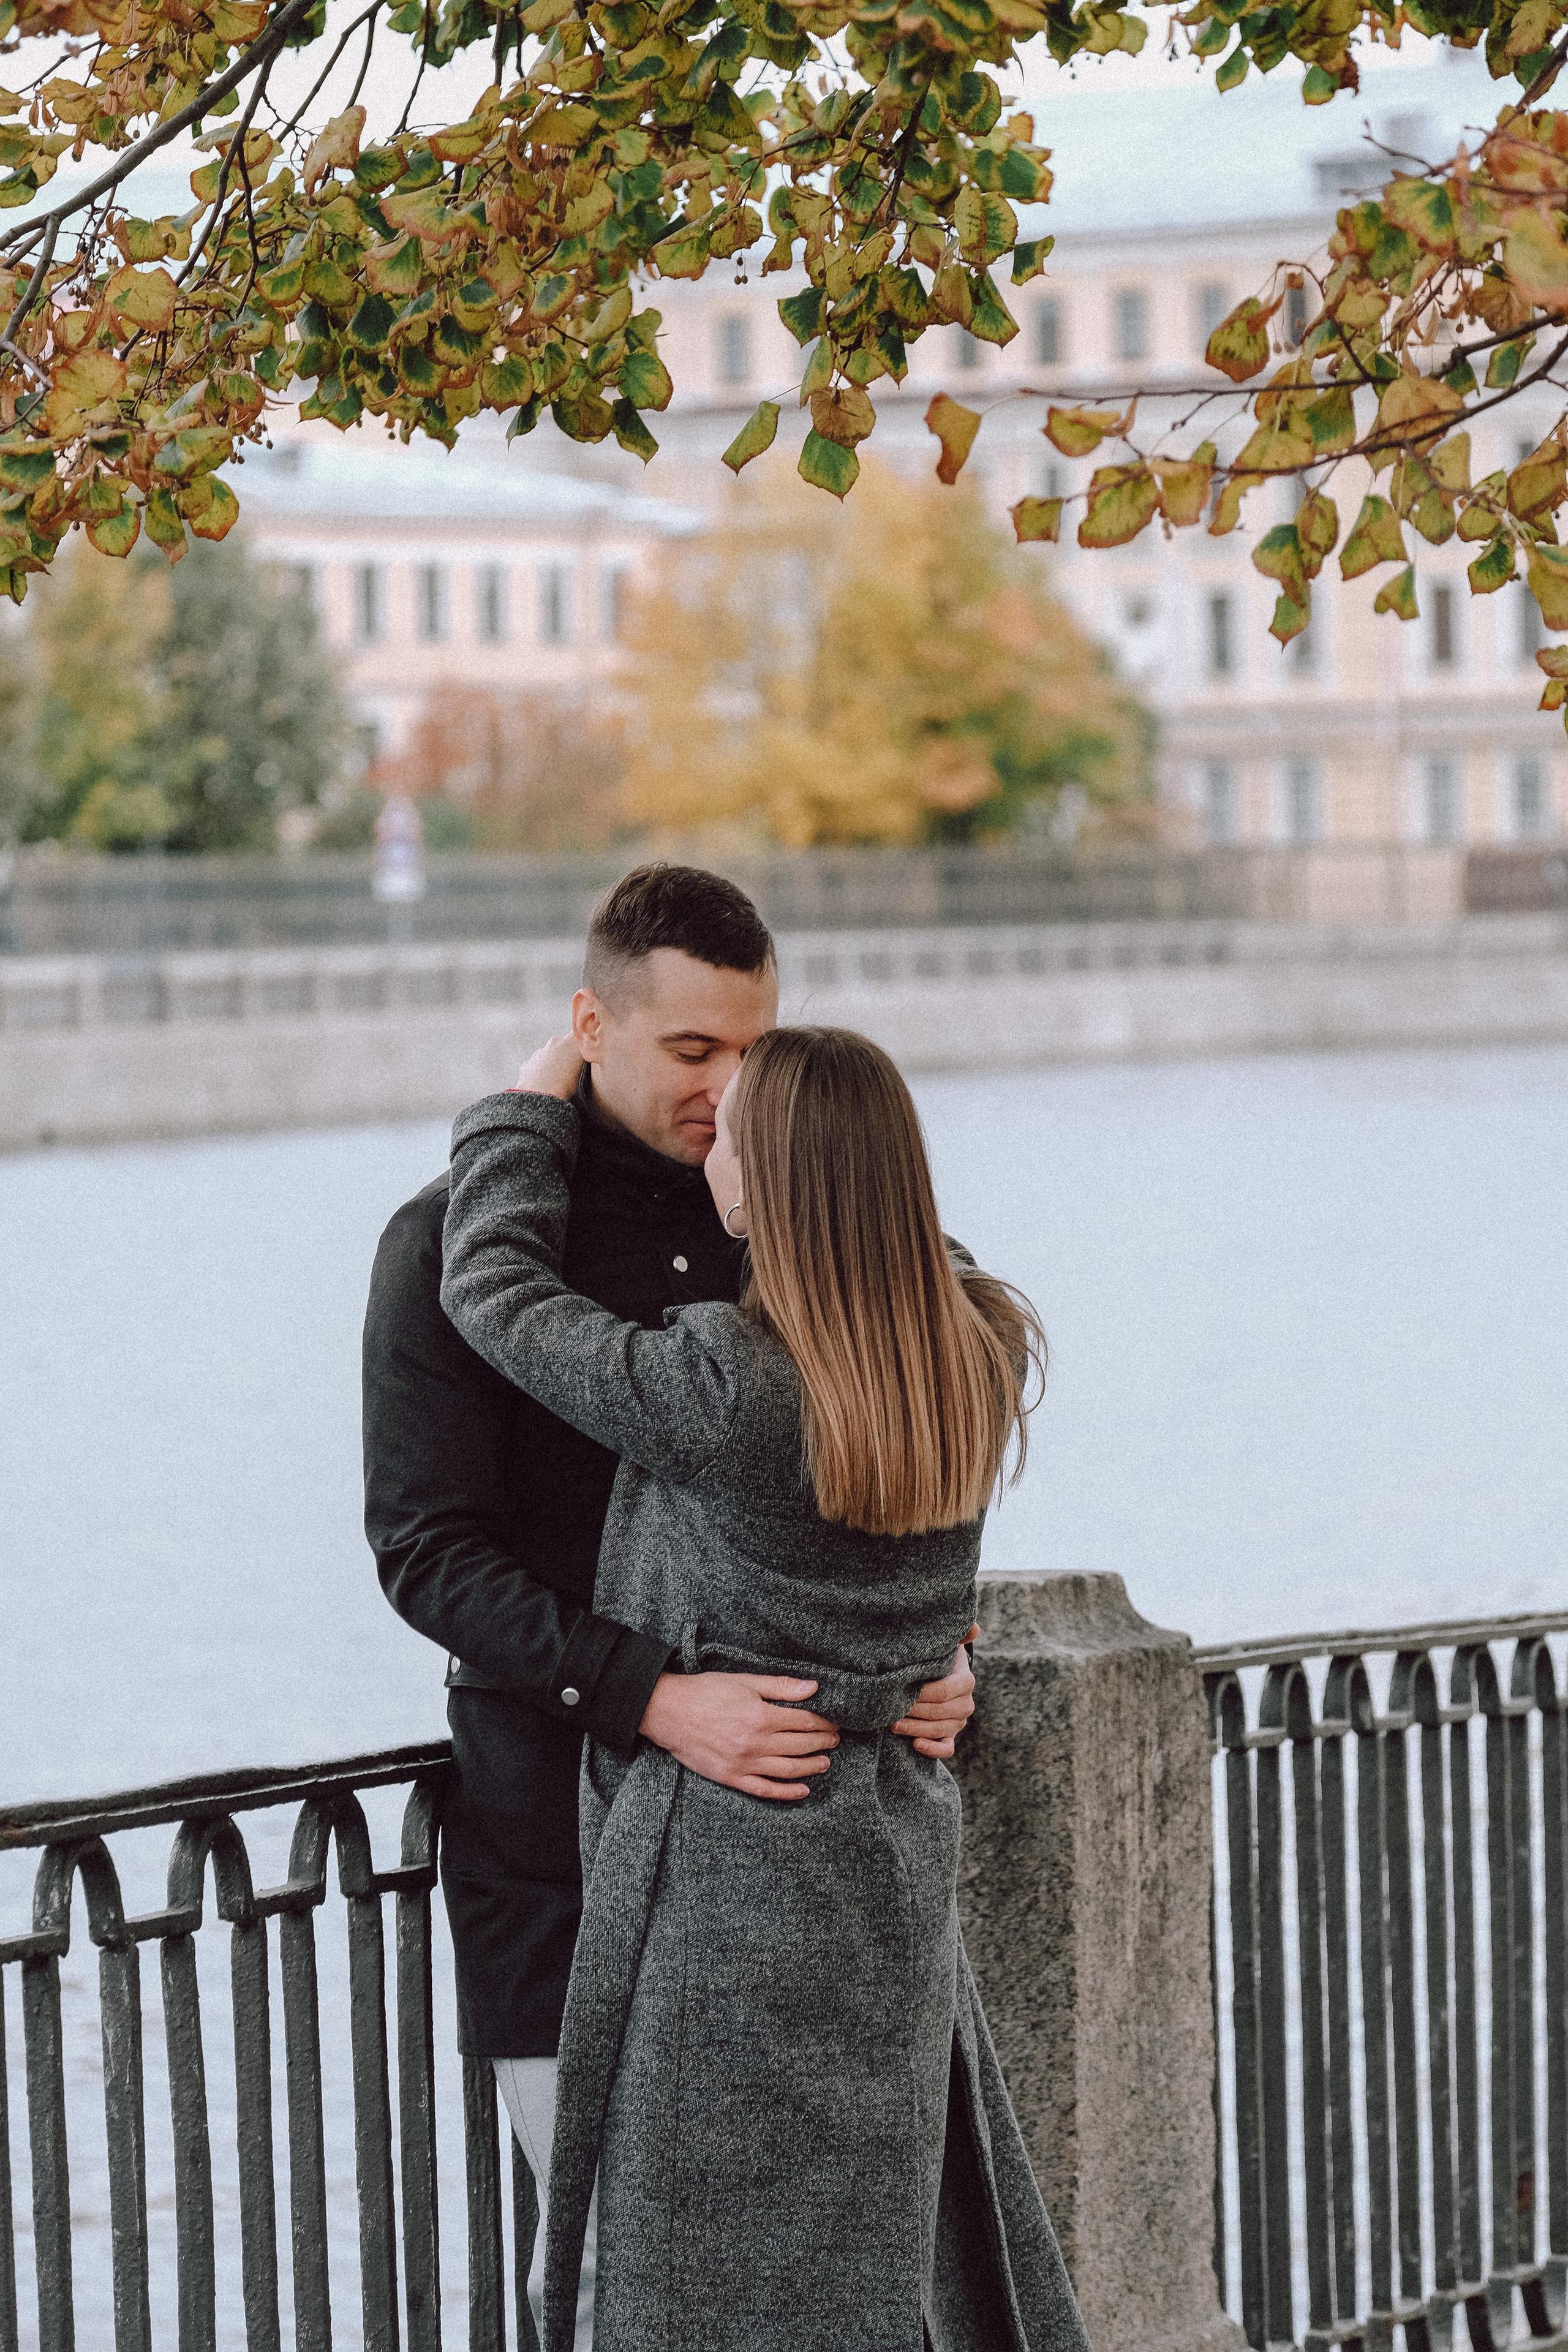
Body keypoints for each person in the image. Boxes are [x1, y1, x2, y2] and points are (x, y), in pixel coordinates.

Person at [361, 865, 977, 2343]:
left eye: (752, 1054)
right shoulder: (452, 1240)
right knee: (618, 2295)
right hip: (564, 1853)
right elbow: (426, 1555)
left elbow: (903, 1474)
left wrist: (942, 1650)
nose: (725, 1090)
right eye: (692, 1052)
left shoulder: (826, 1232)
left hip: (816, 1884)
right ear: (593, 1025)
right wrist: (647, 1693)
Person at [439, 1022, 1090, 2352]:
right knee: (873, 2264)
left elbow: (493, 1292)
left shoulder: (722, 1388)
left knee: (703, 2284)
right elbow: (917, 1263)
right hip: (892, 1866)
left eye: (731, 1128)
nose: (707, 1148)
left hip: (731, 1887)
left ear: (770, 1180)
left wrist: (519, 1115)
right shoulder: (975, 1346)